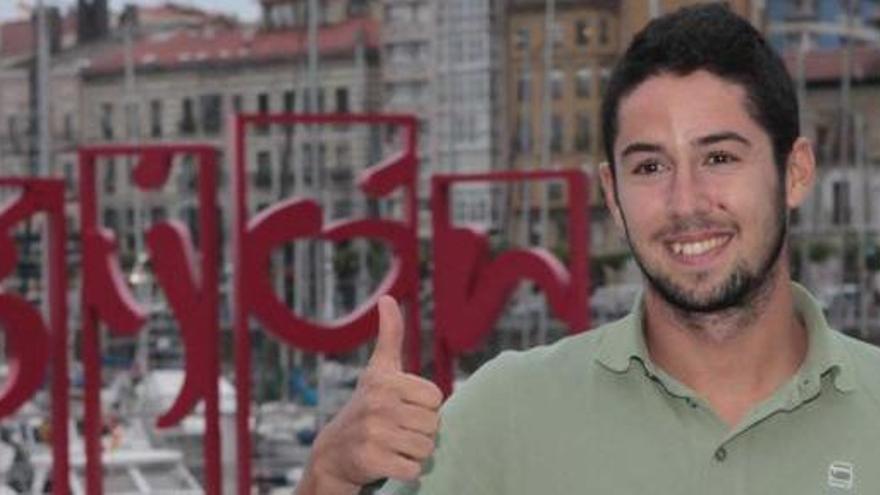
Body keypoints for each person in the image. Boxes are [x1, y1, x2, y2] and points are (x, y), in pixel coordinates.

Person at [296, 4, 880, 494]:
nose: (685, 201)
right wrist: (327, 477)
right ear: (613, 193)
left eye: (719, 158)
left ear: (796, 172)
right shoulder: (506, 415)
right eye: (650, 166)